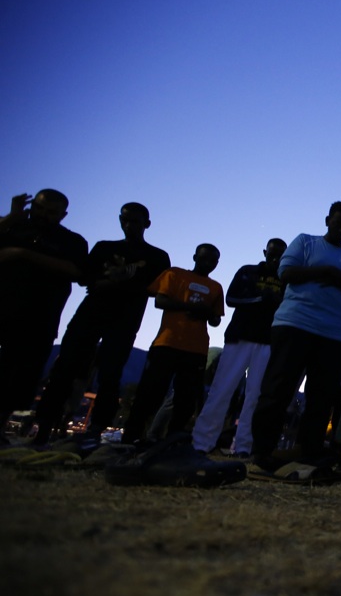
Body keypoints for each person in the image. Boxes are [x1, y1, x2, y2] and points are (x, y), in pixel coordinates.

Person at [33, 202, 170, 445]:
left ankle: (95, 430)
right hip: (91, 312)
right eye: (125, 220)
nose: (129, 225)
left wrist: (116, 282)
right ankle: (43, 428)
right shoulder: (104, 247)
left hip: (125, 318)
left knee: (111, 371)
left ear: (146, 224)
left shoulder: (157, 257)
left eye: (135, 221)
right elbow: (84, 277)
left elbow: (158, 289)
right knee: (65, 366)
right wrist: (114, 282)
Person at [249, 202, 341, 473]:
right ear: (327, 220)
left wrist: (339, 281)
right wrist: (326, 272)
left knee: (322, 396)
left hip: (334, 333)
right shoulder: (305, 242)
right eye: (338, 222)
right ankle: (262, 451)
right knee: (278, 387)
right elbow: (286, 273)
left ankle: (308, 451)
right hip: (295, 324)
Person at [0, 190, 88, 439]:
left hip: (39, 317)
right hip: (4, 306)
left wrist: (22, 254)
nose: (43, 216)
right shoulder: (12, 228)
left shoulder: (71, 241)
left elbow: (76, 271)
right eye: (39, 209)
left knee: (19, 375)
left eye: (51, 212)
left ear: (63, 215)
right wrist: (11, 217)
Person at [190, 238, 287, 455]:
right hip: (239, 337)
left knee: (255, 396)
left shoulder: (286, 279)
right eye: (272, 254)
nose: (275, 259)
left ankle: (244, 447)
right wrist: (260, 298)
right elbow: (232, 298)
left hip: (268, 342)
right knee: (221, 390)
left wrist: (275, 301)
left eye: (280, 255)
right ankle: (201, 443)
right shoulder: (248, 271)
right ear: (265, 252)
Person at [121, 244, 224, 443]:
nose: (208, 264)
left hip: (196, 348)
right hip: (167, 343)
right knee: (150, 392)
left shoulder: (216, 287)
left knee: (185, 399)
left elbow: (216, 320)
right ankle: (132, 437)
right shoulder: (175, 274)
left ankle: (173, 439)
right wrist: (188, 306)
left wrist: (206, 313)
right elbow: (160, 300)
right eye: (204, 259)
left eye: (213, 261)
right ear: (195, 257)